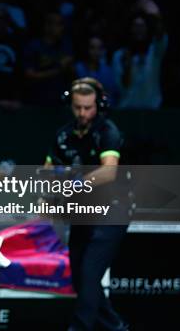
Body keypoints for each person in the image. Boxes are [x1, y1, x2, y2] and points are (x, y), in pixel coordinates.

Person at [44, 77, 128, 331]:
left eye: (88, 108)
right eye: (78, 107)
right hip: (81, 214)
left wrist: (73, 184)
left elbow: (108, 172)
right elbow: (48, 169)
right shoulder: (63, 135)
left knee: (90, 277)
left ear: (98, 106)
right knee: (81, 280)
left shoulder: (107, 131)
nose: (83, 113)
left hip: (110, 214)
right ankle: (116, 327)